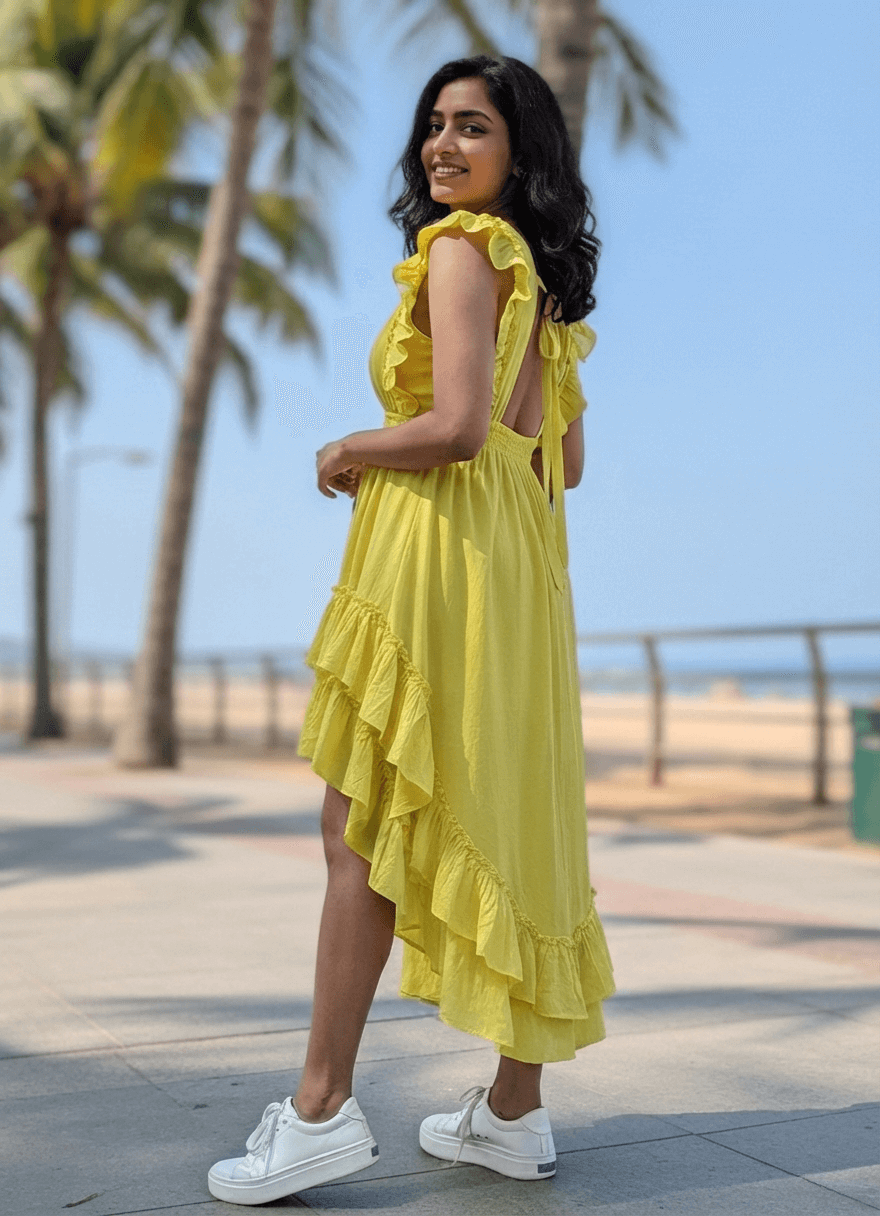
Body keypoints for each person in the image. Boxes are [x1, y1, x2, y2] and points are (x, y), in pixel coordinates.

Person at [208, 52, 615, 1207]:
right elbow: (562, 462)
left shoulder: (454, 250)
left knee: (362, 829)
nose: (442, 144)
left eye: (471, 127)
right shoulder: (540, 284)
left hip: (436, 561)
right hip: (522, 581)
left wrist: (345, 448)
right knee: (520, 818)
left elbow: (452, 425)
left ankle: (322, 1111)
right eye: (434, 125)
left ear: (518, 153)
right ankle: (510, 1117)